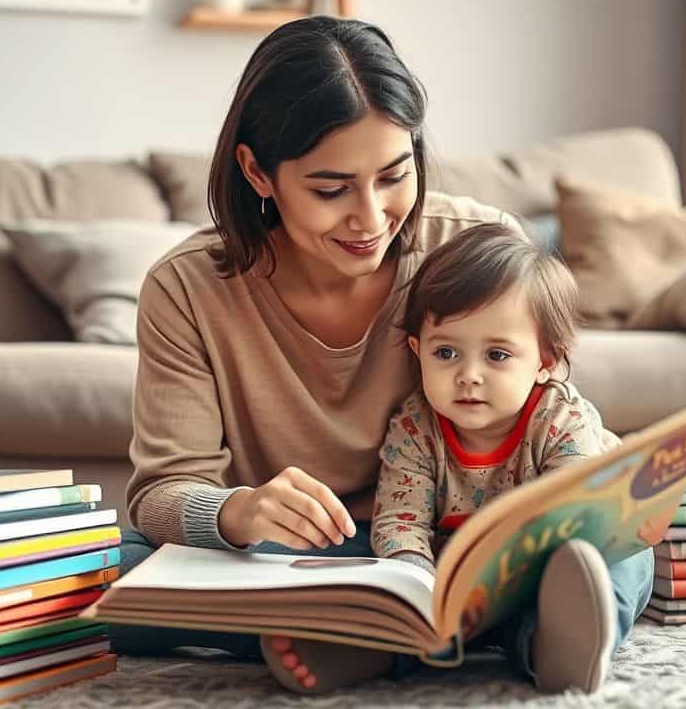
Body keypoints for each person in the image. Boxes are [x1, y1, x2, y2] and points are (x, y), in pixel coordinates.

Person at [113, 14, 537, 687]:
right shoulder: (187, 288)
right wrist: (238, 511)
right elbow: (164, 492)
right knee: (104, 573)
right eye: (330, 189)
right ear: (257, 172)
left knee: (612, 553)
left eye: (394, 176)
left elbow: (548, 418)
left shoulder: (479, 247)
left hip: (449, 541)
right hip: (290, 556)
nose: (370, 219)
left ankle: (365, 633)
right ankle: (457, 631)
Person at [262, 224, 655, 695]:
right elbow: (399, 523)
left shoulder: (561, 419)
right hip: (455, 593)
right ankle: (367, 646)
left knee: (622, 559)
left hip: (545, 578)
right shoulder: (414, 428)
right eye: (446, 352)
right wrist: (418, 594)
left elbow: (574, 511)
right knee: (379, 572)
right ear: (418, 352)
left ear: (546, 361)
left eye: (496, 355)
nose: (468, 376)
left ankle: (557, 647)